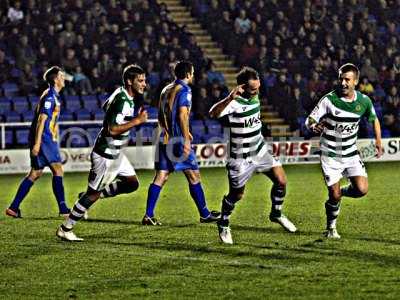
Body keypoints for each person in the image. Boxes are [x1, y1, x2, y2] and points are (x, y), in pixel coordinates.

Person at [56, 64, 148, 241]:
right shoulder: (123, 100)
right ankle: (65, 228)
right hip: (106, 156)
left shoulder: (121, 93)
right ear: (130, 81)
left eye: (144, 80)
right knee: (93, 194)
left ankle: (89, 196)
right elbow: (111, 130)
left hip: (117, 155)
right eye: (140, 80)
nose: (144, 84)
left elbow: (106, 106)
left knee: (131, 183)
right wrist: (136, 121)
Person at [209, 66, 297, 244]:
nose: (256, 91)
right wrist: (228, 98)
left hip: (260, 150)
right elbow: (213, 113)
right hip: (240, 158)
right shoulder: (234, 102)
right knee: (237, 195)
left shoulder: (255, 96)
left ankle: (276, 213)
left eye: (258, 87)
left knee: (281, 180)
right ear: (241, 87)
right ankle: (224, 223)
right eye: (252, 89)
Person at [305, 63, 382, 239]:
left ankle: (340, 193)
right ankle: (331, 228)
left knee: (362, 190)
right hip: (330, 155)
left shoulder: (364, 101)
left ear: (355, 81)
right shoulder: (329, 100)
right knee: (333, 195)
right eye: (341, 78)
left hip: (351, 153)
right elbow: (310, 119)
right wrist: (313, 125)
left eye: (347, 79)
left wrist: (378, 141)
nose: (343, 82)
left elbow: (374, 119)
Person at [142, 61, 220, 225]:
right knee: (193, 175)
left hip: (163, 136)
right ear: (188, 74)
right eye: (192, 73)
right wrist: (184, 138)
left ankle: (148, 215)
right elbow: (182, 115)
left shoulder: (166, 89)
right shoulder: (185, 90)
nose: (193, 75)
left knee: (161, 175)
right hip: (177, 139)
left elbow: (163, 113)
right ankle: (205, 214)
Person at [5, 66, 70, 218]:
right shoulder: (49, 97)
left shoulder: (51, 95)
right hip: (45, 140)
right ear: (55, 79)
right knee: (58, 171)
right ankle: (63, 209)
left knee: (35, 173)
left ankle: (14, 208)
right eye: (61, 75)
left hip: (45, 139)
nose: (64, 78)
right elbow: (42, 120)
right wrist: (37, 143)